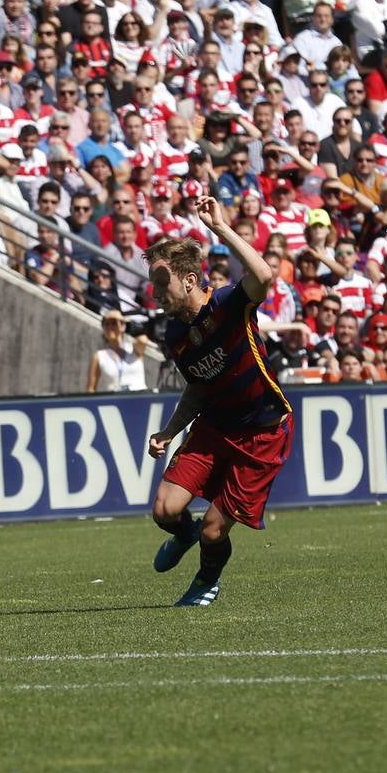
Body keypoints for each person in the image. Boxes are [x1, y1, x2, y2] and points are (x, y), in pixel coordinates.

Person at [145, 195, 294, 607]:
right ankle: (184, 534)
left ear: (189, 280)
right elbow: (198, 387)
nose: (155, 293)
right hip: (214, 428)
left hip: (262, 432)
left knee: (215, 530)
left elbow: (264, 275)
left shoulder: (228, 305)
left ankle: (206, 580)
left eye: (162, 283)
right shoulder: (175, 335)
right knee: (164, 511)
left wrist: (221, 229)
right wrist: (170, 431)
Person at [87, 308, 150, 392]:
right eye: (106, 324)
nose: (110, 327)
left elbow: (143, 340)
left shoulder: (133, 349)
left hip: (139, 398)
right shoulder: (99, 356)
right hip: (114, 401)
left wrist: (125, 323)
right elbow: (91, 389)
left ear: (123, 325)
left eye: (114, 323)